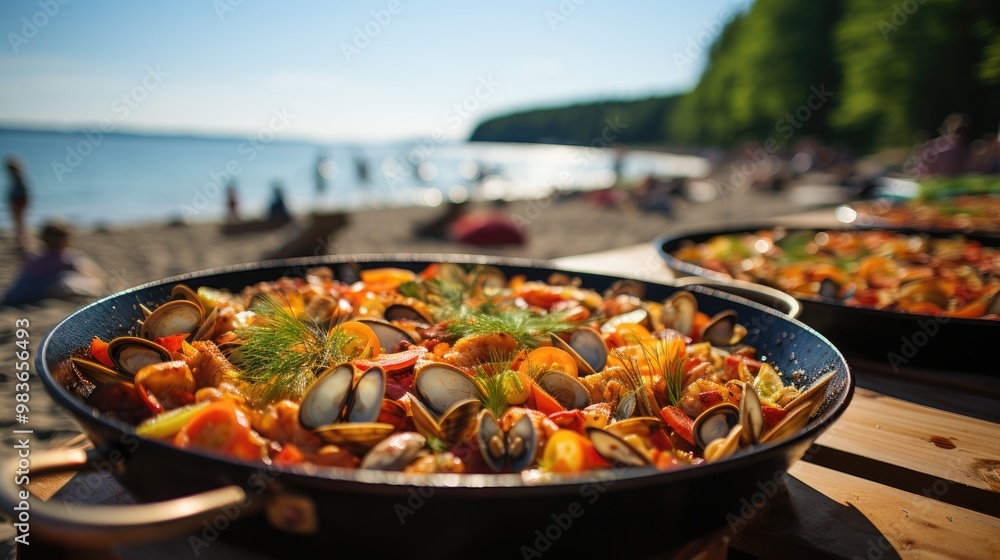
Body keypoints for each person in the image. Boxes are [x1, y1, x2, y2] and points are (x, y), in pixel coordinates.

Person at [2, 219, 108, 307]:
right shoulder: (68, 257)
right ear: (65, 240)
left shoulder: (33, 257)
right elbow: (98, 277)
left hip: (16, 294)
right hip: (45, 291)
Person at [6, 155, 29, 251]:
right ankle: (20, 241)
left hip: (18, 201)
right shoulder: (19, 177)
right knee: (19, 222)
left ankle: (21, 242)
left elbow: (22, 192)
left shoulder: (18, 177)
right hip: (18, 201)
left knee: (19, 223)